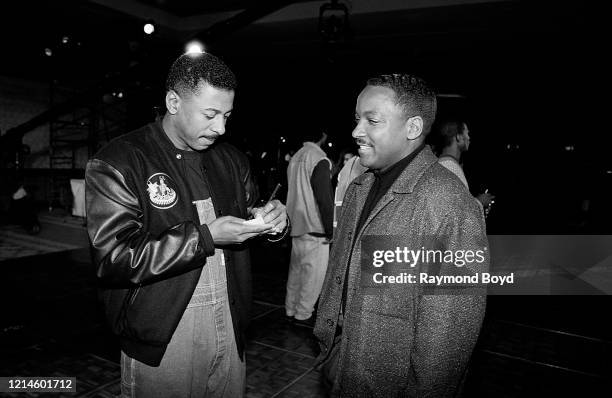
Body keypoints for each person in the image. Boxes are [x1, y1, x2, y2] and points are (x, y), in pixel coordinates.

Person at [85, 52, 288, 397]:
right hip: (163, 333)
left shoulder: (230, 159)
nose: (220, 128)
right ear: (173, 102)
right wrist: (205, 237)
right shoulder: (120, 160)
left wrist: (269, 221)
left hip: (231, 320)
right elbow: (113, 259)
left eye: (226, 116)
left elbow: (247, 212)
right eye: (209, 115)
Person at [314, 74, 489, 396]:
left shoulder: (450, 204)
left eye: (372, 120)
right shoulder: (360, 188)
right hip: (342, 367)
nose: (356, 131)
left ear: (412, 128)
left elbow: (449, 334)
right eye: (356, 119)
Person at [285, 130, 334, 324]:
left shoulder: (296, 156)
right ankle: (303, 314)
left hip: (296, 223)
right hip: (315, 226)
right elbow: (324, 197)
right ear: (323, 136)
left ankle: (290, 309)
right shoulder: (319, 158)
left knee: (296, 272)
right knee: (313, 277)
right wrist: (331, 229)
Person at [436, 119, 496, 215]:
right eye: (467, 133)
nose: (469, 138)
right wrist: (479, 202)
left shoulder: (448, 164)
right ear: (458, 137)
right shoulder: (449, 167)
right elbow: (452, 212)